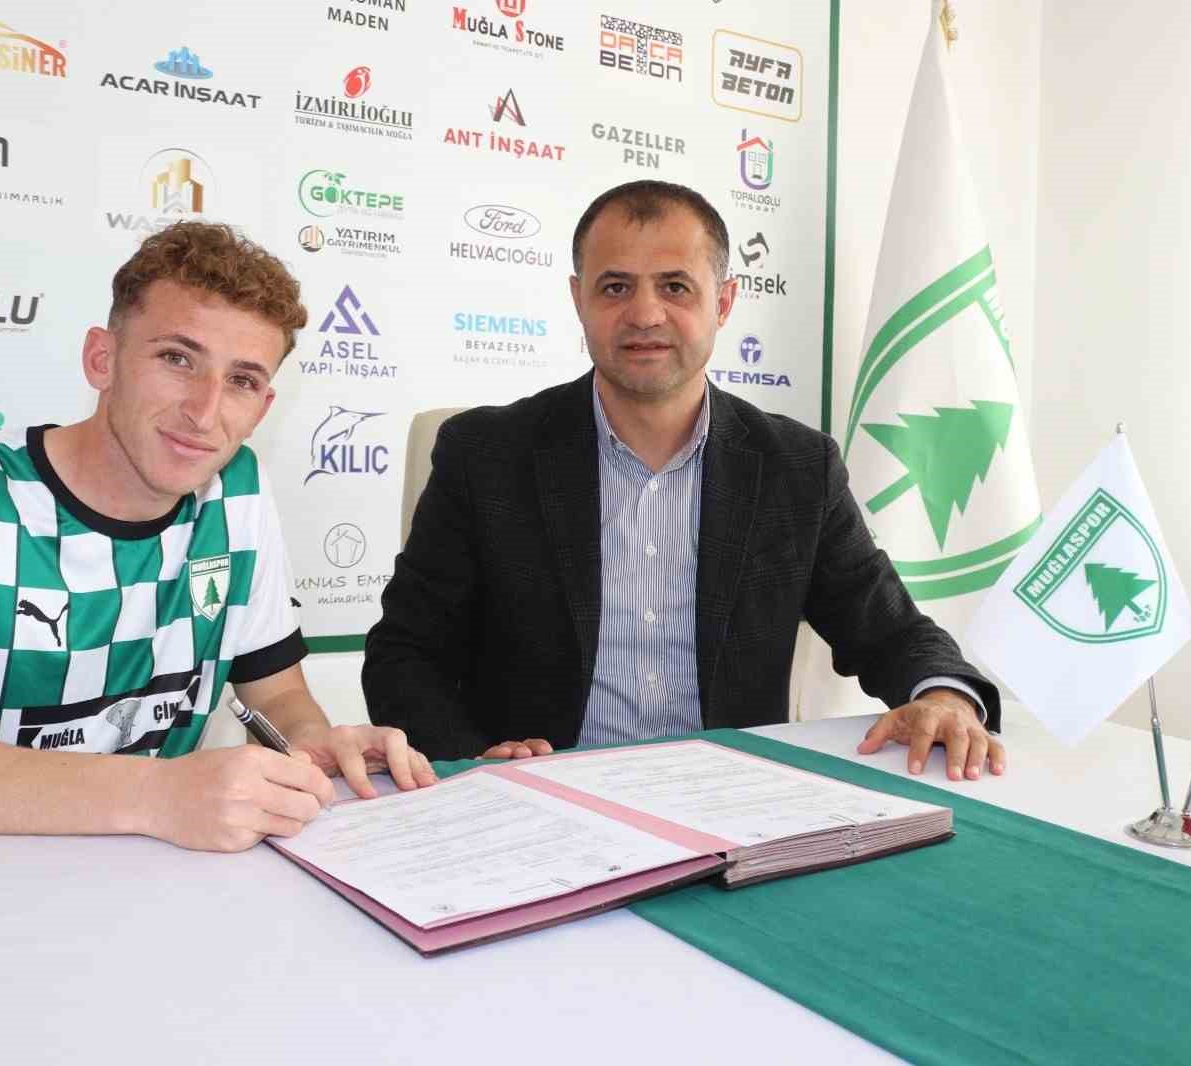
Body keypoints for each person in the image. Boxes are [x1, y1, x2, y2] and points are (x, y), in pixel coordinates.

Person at [0, 221, 435, 851]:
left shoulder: (238, 487)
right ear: (102, 359)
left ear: (263, 406)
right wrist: (158, 794)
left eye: (241, 381)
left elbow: (277, 693)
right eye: (177, 359)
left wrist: (308, 745)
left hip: (155, 875)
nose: (204, 413)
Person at [365, 180, 1007, 781]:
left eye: (675, 286)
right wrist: (474, 761)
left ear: (723, 302)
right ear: (578, 300)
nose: (645, 314)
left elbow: (890, 631)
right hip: (542, 797)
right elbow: (404, 653)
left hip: (729, 798)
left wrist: (944, 695)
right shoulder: (486, 455)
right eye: (615, 287)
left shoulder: (796, 467)